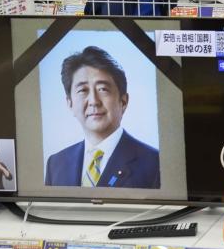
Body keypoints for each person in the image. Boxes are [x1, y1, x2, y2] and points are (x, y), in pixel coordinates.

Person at [45, 46, 160, 188]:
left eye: (103, 89)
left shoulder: (155, 163)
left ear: (123, 101)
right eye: (82, 90)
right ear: (70, 103)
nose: (94, 101)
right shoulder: (56, 164)